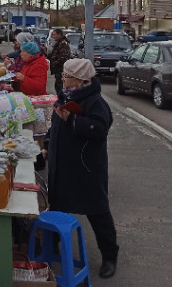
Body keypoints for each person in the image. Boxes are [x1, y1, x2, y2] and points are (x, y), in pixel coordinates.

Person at [42, 58, 119, 280]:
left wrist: (73, 120)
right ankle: (53, 245)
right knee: (57, 207)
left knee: (97, 211)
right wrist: (48, 145)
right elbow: (54, 125)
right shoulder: (65, 96)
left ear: (80, 79)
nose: (62, 79)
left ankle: (110, 256)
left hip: (86, 168)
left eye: (66, 76)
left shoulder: (95, 101)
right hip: (62, 164)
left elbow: (100, 128)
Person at [48, 28, 72, 93]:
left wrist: (55, 63)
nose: (53, 36)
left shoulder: (63, 44)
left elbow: (63, 57)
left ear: (59, 35)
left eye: (54, 34)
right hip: (58, 70)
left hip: (61, 69)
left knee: (60, 87)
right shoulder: (59, 43)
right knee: (58, 86)